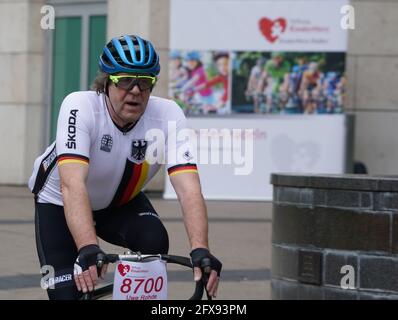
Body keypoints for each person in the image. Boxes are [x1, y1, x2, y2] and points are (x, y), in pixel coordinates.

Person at [29, 34, 222, 300]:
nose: (135, 91)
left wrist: (201, 249)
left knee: (153, 240)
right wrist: (88, 247)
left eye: (145, 82)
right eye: (125, 80)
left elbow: (189, 189)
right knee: (66, 296)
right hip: (60, 203)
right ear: (106, 81)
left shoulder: (168, 114)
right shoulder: (80, 106)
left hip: (120, 202)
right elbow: (72, 184)